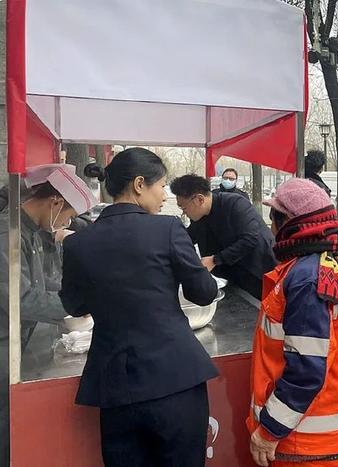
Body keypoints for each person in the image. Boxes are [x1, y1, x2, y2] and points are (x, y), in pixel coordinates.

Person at [59, 148, 219, 467]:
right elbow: (203, 293)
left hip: (116, 389)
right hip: (175, 380)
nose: (164, 197)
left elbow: (75, 305)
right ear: (139, 184)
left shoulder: (78, 243)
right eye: (161, 187)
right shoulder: (168, 229)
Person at [247, 178, 338, 467]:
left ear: (287, 222)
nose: (271, 227)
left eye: (274, 217)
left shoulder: (306, 279)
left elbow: (306, 370)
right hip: (316, 432)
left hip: (304, 439)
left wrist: (269, 430)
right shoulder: (326, 262)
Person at [0, 163, 96, 467]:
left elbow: (44, 283)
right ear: (55, 202)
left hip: (19, 338)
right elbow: (23, 299)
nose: (64, 223)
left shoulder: (31, 231)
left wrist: (88, 290)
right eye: (67, 215)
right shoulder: (8, 233)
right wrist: (77, 305)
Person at [170, 174, 276, 300]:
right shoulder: (199, 218)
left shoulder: (235, 204)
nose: (184, 212)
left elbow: (250, 239)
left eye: (183, 207)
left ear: (199, 199)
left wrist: (215, 260)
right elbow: (187, 239)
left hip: (259, 271)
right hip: (234, 277)